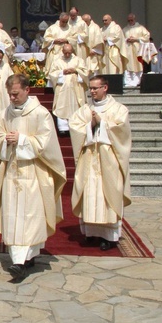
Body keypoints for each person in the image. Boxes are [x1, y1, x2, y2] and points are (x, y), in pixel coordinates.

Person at [0, 74, 66, 282]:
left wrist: (21, 139)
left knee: (30, 217)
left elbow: (45, 143)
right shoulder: (5, 114)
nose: (11, 98)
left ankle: (24, 259)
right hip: (11, 172)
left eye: (15, 94)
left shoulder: (40, 114)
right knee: (14, 217)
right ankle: (19, 261)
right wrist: (5, 140)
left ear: (27, 90)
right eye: (9, 94)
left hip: (33, 173)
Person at [69, 75, 132, 251]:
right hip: (90, 159)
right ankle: (91, 233)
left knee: (107, 195)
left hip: (109, 161)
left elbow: (122, 131)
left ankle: (108, 236)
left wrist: (102, 123)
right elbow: (75, 126)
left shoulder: (119, 109)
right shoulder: (85, 110)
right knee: (90, 194)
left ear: (105, 88)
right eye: (91, 88)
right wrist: (90, 126)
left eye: (96, 88)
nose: (92, 91)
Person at [49, 43, 87, 134]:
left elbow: (85, 72)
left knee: (75, 105)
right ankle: (63, 127)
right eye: (65, 53)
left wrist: (76, 70)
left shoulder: (78, 60)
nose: (67, 55)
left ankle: (76, 125)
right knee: (61, 106)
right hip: (62, 88)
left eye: (69, 53)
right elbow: (52, 73)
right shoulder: (57, 61)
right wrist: (62, 72)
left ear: (72, 51)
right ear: (62, 51)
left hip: (76, 88)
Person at [121, 13, 150, 87]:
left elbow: (147, 36)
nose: (130, 21)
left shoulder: (140, 28)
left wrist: (136, 39)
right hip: (128, 50)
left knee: (138, 65)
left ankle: (137, 81)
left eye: (131, 20)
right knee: (128, 65)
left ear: (134, 19)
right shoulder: (125, 29)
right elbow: (121, 39)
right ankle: (129, 82)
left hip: (137, 49)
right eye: (129, 20)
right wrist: (127, 39)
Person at [42, 12, 73, 77]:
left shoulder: (70, 28)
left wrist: (67, 40)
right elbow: (46, 39)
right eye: (63, 21)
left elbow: (74, 38)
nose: (64, 23)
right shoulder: (52, 28)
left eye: (66, 22)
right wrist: (54, 41)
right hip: (55, 53)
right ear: (59, 19)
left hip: (67, 54)